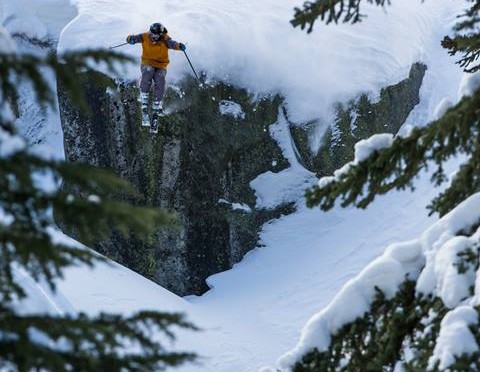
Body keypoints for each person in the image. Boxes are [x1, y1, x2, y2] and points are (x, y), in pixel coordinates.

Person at [126, 22, 186, 126]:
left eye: (157, 35)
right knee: (149, 71)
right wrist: (130, 39)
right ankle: (144, 96)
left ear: (161, 34)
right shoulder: (145, 36)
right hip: (147, 63)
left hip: (161, 65)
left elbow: (172, 44)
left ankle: (157, 104)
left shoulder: (165, 39)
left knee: (160, 78)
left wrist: (179, 46)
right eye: (152, 33)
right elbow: (133, 38)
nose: (154, 36)